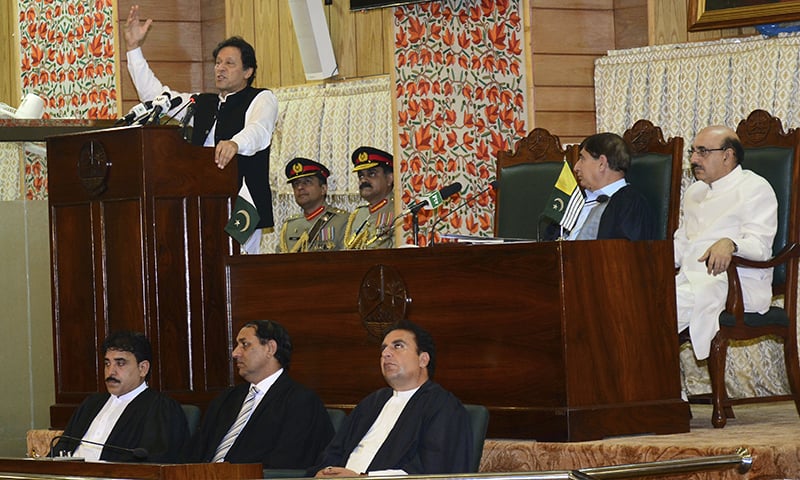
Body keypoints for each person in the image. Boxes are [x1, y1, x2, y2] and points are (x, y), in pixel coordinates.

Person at [124, 5, 278, 254]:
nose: (220, 68)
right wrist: (133, 49)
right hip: (201, 200)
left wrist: (235, 143)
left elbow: (259, 130)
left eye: (229, 63)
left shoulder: (262, 98)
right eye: (218, 63)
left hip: (243, 200)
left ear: (248, 72)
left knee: (237, 266)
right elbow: (156, 97)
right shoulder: (202, 103)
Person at [310, 320, 473, 477]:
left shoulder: (443, 407)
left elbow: (432, 472)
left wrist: (362, 478)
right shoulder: (371, 403)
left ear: (423, 359)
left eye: (398, 346)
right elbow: (333, 452)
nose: (385, 353)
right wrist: (324, 472)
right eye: (384, 349)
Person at [675, 125, 777, 360]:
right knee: (642, 300)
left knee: (662, 309)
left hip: (738, 283)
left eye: (702, 152)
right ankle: (652, 390)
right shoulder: (694, 192)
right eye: (692, 152)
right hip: (689, 279)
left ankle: (659, 391)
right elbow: (681, 243)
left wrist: (730, 243)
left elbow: (761, 246)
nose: (693, 159)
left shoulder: (755, 188)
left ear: (727, 155)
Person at [185, 320, 333, 468]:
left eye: (245, 344)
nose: (235, 353)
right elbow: (195, 453)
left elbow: (288, 464)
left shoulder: (301, 402)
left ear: (270, 348)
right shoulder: (227, 399)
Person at [50, 331, 188, 462]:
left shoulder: (161, 408)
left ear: (143, 368)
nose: (111, 372)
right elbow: (59, 452)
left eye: (120, 363)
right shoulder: (91, 404)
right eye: (107, 363)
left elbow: (153, 464)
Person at [562, 132, 656, 240]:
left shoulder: (630, 204)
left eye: (582, 158)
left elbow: (624, 253)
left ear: (602, 163)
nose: (576, 167)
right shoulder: (576, 200)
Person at [278, 157, 349, 253]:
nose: (300, 187)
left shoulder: (343, 221)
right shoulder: (289, 226)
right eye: (296, 184)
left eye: (307, 182)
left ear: (323, 189)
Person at [344, 146, 396, 249]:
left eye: (371, 174)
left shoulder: (399, 211)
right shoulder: (358, 214)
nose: (364, 180)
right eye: (361, 176)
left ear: (390, 178)